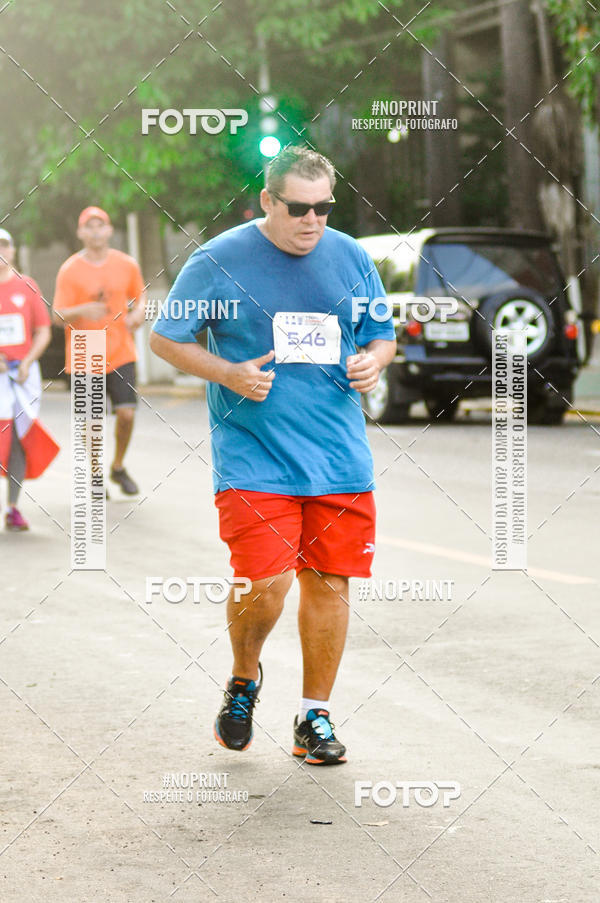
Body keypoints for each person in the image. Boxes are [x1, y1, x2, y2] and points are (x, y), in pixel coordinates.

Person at [150, 146, 396, 765]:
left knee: (330, 582)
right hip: (253, 454)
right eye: (299, 208)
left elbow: (381, 335)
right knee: (265, 581)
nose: (313, 220)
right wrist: (228, 372)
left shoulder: (351, 256)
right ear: (267, 200)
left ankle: (314, 716)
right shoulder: (218, 260)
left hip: (338, 456)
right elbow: (166, 339)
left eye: (324, 208)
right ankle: (243, 678)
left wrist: (374, 362)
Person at [52, 207, 146, 495]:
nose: (95, 232)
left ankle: (117, 467)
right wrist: (83, 309)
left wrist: (138, 314)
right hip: (85, 352)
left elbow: (141, 299)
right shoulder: (70, 269)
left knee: (126, 415)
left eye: (100, 226)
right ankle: (95, 473)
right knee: (92, 423)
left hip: (120, 350)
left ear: (109, 231)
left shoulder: (126, 264)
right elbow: (58, 315)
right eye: (89, 227)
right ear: (80, 233)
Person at [0, 228, 59, 530]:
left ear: (13, 250)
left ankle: (12, 508)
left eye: (4, 245)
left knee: (18, 439)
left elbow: (43, 331)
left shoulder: (27, 286)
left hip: (22, 376)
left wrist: (26, 361)